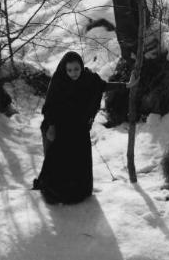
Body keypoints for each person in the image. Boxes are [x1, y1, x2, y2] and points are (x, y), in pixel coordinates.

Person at [33, 51, 136, 204]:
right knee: (60, 161)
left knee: (79, 162)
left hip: (80, 128)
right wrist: (51, 126)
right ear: (64, 69)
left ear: (81, 66)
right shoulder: (58, 81)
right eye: (69, 70)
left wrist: (126, 85)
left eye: (76, 69)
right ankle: (58, 194)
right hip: (62, 127)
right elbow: (50, 107)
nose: (73, 73)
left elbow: (103, 86)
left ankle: (79, 192)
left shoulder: (89, 79)